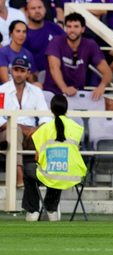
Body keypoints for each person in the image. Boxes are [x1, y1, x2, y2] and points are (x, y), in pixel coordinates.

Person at [22, 94, 87, 222]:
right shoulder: (77, 128)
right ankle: (51, 210)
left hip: (53, 172)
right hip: (74, 173)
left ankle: (33, 211)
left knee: (33, 170)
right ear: (66, 109)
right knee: (59, 169)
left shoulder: (44, 129)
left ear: (51, 108)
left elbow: (37, 158)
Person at [43, 12, 113, 110]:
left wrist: (101, 86)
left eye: (76, 26)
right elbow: (54, 67)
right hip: (54, 93)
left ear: (83, 29)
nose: (72, 30)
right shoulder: (56, 41)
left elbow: (108, 73)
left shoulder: (90, 44)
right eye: (69, 26)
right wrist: (64, 88)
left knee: (111, 104)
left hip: (76, 94)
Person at [0, 57, 52, 188]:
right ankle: (19, 176)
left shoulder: (36, 91)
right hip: (7, 133)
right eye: (16, 70)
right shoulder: (2, 90)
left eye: (22, 70)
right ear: (11, 71)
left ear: (28, 73)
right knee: (15, 131)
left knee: (50, 130)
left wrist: (36, 129)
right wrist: (21, 128)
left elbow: (45, 117)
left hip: (31, 133)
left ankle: (51, 179)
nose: (18, 73)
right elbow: (0, 119)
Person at [23, 0, 65, 83]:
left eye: (39, 7)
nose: (37, 11)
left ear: (45, 10)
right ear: (27, 12)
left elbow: (68, 47)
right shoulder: (23, 34)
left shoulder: (55, 28)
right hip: (35, 78)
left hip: (59, 73)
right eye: (33, 8)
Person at [0, 20, 40, 87]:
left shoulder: (28, 55)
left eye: (24, 32)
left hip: (23, 91)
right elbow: (4, 80)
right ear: (11, 33)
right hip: (6, 91)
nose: (21, 35)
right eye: (18, 31)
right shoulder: (3, 52)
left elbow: (30, 80)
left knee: (38, 85)